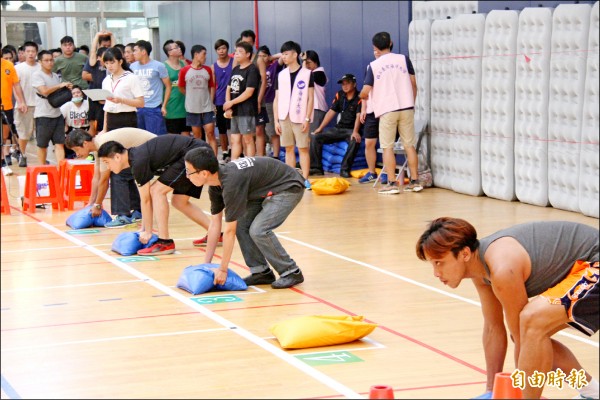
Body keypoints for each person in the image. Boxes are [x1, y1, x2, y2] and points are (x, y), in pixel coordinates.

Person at [415, 218, 599, 399]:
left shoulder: (502, 269)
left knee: (530, 324)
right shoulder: (480, 271)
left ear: (464, 254)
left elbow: (521, 340)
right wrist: (491, 392)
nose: (436, 273)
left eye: (439, 262)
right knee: (530, 330)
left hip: (595, 262)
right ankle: (592, 392)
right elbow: (493, 328)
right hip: (584, 268)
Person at [184, 147, 306, 289]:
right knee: (242, 226)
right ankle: (261, 272)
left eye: (188, 171)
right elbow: (214, 225)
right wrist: (206, 265)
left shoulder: (231, 183)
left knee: (259, 230)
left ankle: (291, 271)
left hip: (287, 186)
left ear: (204, 173)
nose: (187, 176)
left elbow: (229, 231)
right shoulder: (215, 186)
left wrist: (223, 269)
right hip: (260, 189)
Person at [97, 135, 212, 255]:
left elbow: (146, 199)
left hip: (195, 153)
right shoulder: (135, 159)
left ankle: (165, 242)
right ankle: (215, 233)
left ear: (117, 157)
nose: (108, 167)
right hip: (196, 150)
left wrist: (148, 231)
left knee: (156, 191)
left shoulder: (138, 161)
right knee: (178, 201)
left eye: (107, 162)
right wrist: (144, 229)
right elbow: (144, 199)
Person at [360, 31, 421, 194]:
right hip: (407, 107)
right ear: (391, 43)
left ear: (375, 47)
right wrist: (411, 102)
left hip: (387, 110)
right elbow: (414, 83)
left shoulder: (374, 66)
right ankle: (415, 181)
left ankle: (392, 184)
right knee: (409, 145)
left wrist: (363, 95)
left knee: (387, 146)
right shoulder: (403, 59)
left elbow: (366, 91)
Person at [66, 128, 155, 223]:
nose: (77, 154)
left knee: (117, 172)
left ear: (85, 144)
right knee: (123, 171)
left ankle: (123, 216)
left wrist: (98, 205)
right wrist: (91, 203)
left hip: (154, 152)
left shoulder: (103, 145)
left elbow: (104, 180)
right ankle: (138, 211)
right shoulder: (98, 147)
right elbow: (97, 177)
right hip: (145, 153)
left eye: (76, 150)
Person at [273, 41, 314, 190]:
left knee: (303, 148)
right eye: (282, 54)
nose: (283, 56)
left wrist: (308, 118)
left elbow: (310, 98)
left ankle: (305, 179)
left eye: (286, 53)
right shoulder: (281, 75)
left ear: (295, 54)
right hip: (284, 117)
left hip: (300, 117)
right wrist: (276, 120)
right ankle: (291, 180)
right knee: (288, 148)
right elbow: (276, 99)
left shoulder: (307, 74)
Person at [309, 73, 362, 178]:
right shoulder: (340, 95)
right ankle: (316, 168)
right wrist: (320, 128)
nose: (345, 86)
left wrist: (356, 132)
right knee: (315, 137)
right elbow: (331, 112)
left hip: (351, 130)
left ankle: (344, 169)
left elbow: (358, 116)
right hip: (338, 128)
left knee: (354, 140)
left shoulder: (360, 97)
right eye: (343, 84)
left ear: (354, 84)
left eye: (348, 83)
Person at [32, 50, 71, 166]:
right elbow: (44, 91)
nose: (50, 62)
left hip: (57, 114)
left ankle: (61, 169)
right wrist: (59, 85)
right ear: (40, 62)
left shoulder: (55, 76)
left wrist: (65, 88)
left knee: (59, 143)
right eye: (46, 60)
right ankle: (42, 169)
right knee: (42, 145)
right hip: (43, 115)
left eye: (51, 60)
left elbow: (57, 93)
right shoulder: (37, 75)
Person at [223, 41, 260, 160]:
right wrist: (228, 106)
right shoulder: (235, 69)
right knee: (234, 139)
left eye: (240, 52)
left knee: (248, 139)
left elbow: (249, 92)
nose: (236, 54)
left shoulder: (252, 69)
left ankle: (250, 165)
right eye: (236, 52)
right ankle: (234, 165)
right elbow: (228, 88)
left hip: (246, 110)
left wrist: (231, 103)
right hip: (235, 110)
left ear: (248, 54)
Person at [178, 44, 217, 155]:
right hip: (192, 108)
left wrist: (211, 101)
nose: (205, 57)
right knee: (197, 136)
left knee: (210, 133)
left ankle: (214, 159)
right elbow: (180, 87)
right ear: (196, 54)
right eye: (203, 54)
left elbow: (211, 86)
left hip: (207, 107)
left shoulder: (208, 70)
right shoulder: (185, 70)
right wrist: (190, 95)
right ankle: (201, 158)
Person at [130, 40, 171, 136]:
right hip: (137, 107)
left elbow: (168, 86)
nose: (133, 53)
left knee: (155, 138)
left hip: (154, 107)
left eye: (135, 50)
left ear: (143, 52)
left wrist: (164, 105)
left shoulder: (159, 66)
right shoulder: (132, 66)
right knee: (140, 137)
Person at [101, 47, 144, 132]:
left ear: (120, 61)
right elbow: (107, 106)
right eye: (106, 63)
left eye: (112, 62)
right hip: (111, 118)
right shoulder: (106, 80)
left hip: (127, 118)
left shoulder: (131, 77)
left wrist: (121, 100)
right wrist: (104, 129)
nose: (109, 66)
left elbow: (141, 103)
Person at [1, 43, 27, 176]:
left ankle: (4, 161)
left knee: (5, 136)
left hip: (6, 106)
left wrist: (21, 101)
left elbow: (16, 85)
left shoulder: (8, 65)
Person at [14, 41, 41, 168]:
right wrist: (21, 102)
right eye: (28, 51)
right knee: (23, 133)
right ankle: (22, 154)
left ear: (36, 52)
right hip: (24, 105)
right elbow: (15, 87)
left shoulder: (41, 66)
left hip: (40, 105)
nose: (30, 54)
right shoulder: (18, 68)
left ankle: (42, 158)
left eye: (33, 51)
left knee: (41, 134)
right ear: (23, 53)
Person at [257, 45, 283, 158]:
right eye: (259, 56)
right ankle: (261, 155)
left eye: (264, 56)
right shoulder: (255, 69)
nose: (262, 58)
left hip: (270, 102)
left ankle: (276, 155)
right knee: (259, 130)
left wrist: (272, 58)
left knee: (272, 130)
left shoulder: (273, 67)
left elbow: (282, 56)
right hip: (258, 102)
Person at [211, 39, 233, 161]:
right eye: (219, 49)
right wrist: (212, 101)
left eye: (223, 48)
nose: (221, 51)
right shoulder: (213, 66)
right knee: (222, 128)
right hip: (220, 100)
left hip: (232, 99)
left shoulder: (234, 62)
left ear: (227, 49)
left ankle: (235, 149)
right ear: (216, 51)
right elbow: (213, 85)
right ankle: (224, 151)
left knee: (233, 127)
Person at [162, 40, 189, 136]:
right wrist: (163, 106)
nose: (179, 48)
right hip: (171, 106)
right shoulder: (163, 66)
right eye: (176, 47)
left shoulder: (184, 64)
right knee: (174, 137)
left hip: (185, 105)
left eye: (179, 46)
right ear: (169, 52)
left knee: (186, 136)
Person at [82, 46, 108, 136]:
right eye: (104, 57)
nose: (106, 60)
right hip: (95, 98)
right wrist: (97, 35)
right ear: (98, 57)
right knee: (94, 126)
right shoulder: (94, 66)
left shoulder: (111, 69)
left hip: (107, 99)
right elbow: (84, 75)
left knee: (104, 127)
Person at [301, 50, 328, 133]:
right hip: (311, 109)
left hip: (317, 109)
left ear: (316, 62)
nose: (306, 65)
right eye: (305, 63)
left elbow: (303, 74)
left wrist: (303, 63)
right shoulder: (310, 73)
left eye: (308, 62)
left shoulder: (319, 73)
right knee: (310, 138)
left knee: (313, 137)